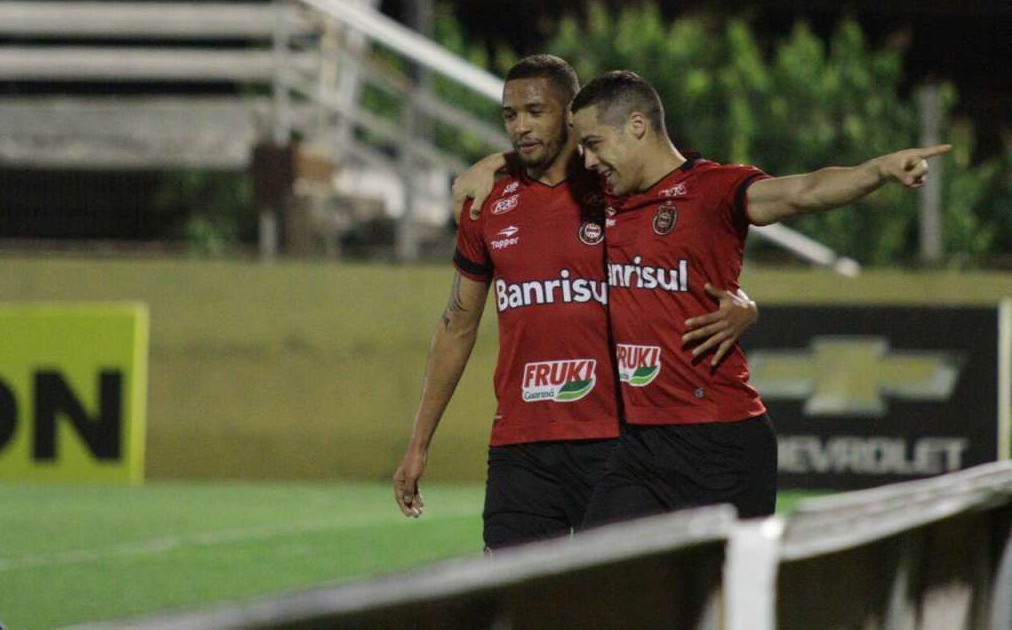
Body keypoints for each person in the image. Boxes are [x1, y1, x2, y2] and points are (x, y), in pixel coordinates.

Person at [392, 56, 758, 551]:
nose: (521, 127)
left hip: (617, 444)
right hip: (520, 446)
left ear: (571, 115)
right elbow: (457, 325)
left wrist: (747, 304)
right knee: (514, 596)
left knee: (607, 601)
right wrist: (418, 444)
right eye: (509, 115)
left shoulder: (620, 192)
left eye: (535, 112)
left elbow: (700, 228)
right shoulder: (487, 206)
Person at [563, 70, 950, 524]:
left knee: (732, 591)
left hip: (720, 441)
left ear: (636, 125)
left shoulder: (714, 190)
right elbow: (533, 168)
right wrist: (487, 169)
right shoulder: (603, 199)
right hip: (640, 445)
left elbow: (803, 192)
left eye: (594, 143)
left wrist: (878, 170)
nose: (587, 161)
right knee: (595, 576)